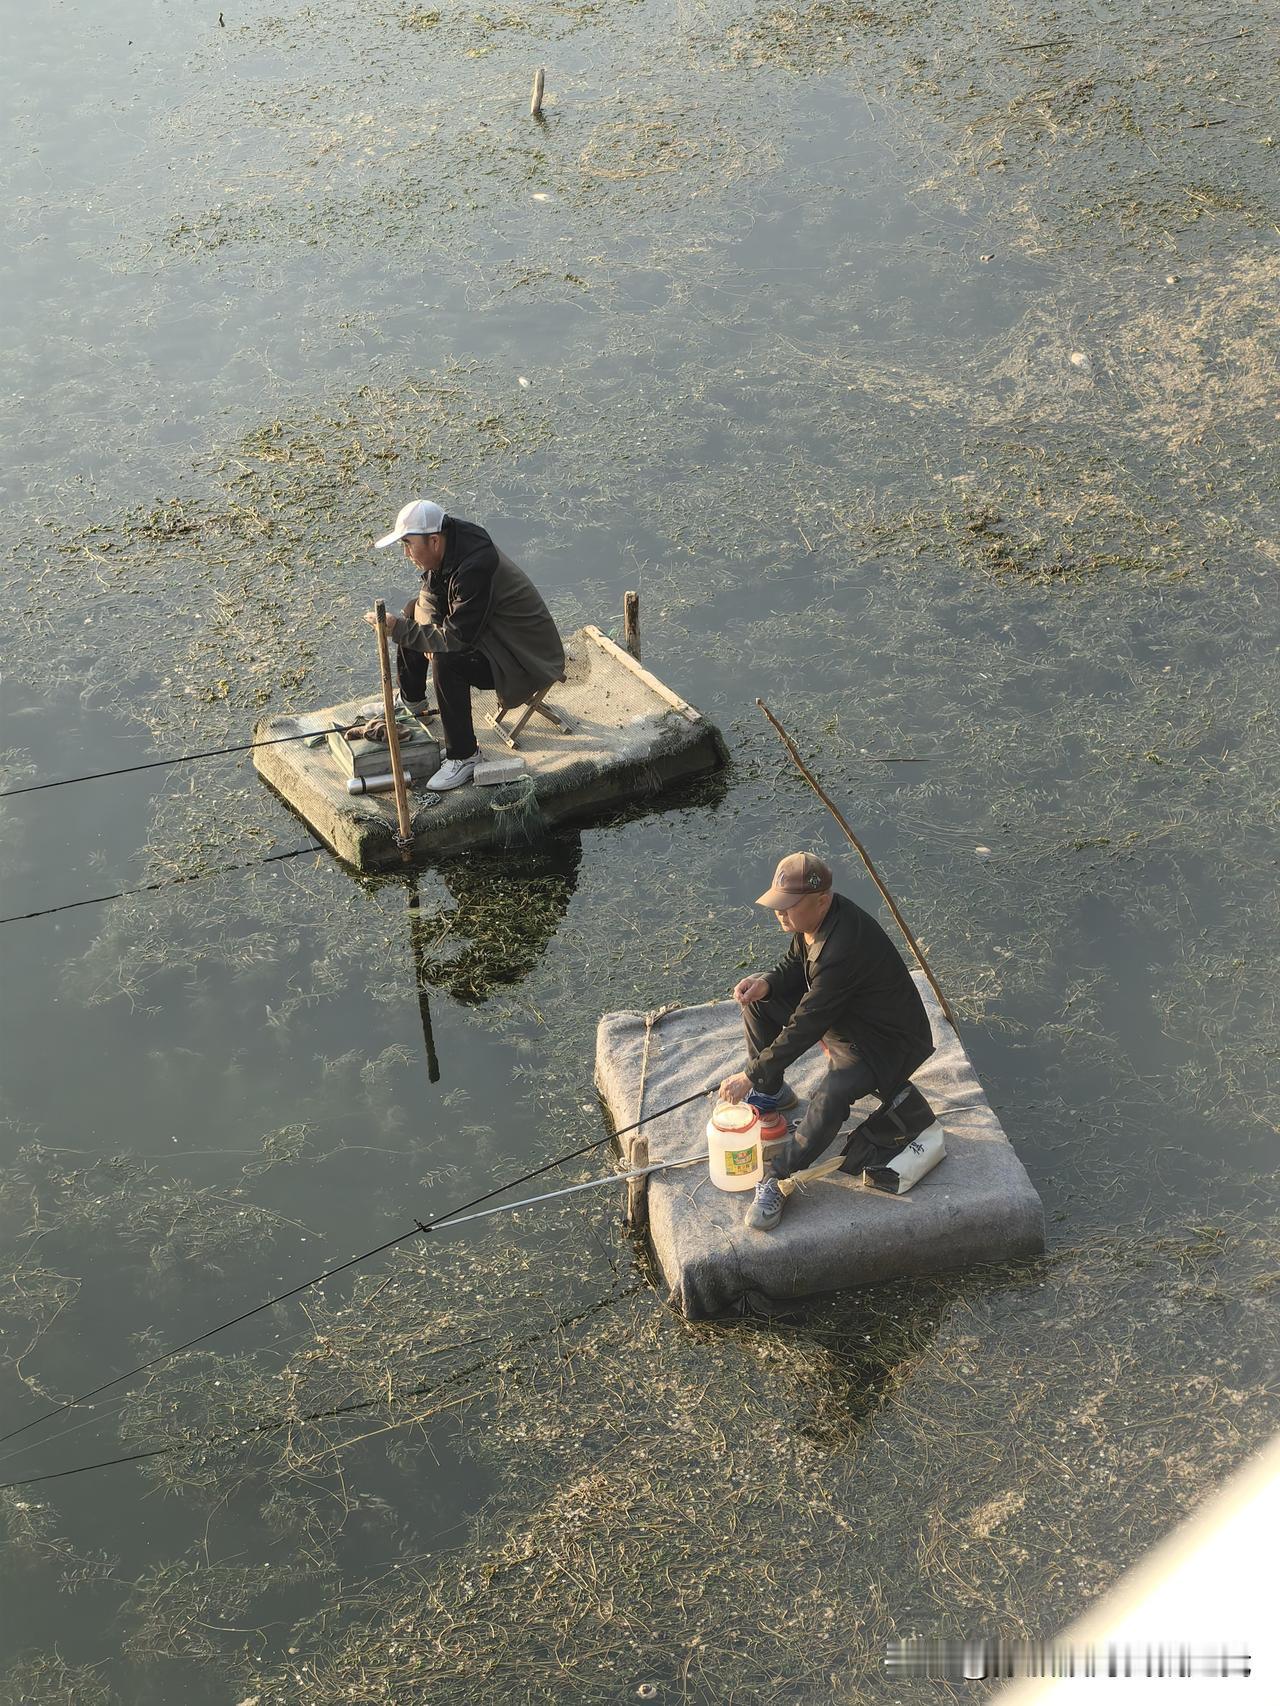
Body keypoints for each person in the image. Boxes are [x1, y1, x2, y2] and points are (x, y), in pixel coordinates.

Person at [719, 852, 936, 1231]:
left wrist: (749, 1074)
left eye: (788, 907)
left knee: (831, 1094)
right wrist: (767, 983)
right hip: (844, 1017)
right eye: (777, 905)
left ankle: (778, 1178)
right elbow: (794, 965)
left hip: (880, 1043)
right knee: (757, 1000)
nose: (780, 914)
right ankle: (772, 1092)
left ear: (822, 899)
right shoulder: (812, 923)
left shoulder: (842, 948)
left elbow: (806, 1023)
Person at [365, 499, 565, 792]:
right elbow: (428, 601)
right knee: (412, 612)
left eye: (408, 544)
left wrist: (401, 631)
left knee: (448, 659)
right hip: (489, 634)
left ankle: (465, 755)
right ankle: (413, 701)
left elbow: (456, 640)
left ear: (433, 541)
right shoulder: (450, 544)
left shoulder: (475, 565)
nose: (406, 554)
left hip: (524, 657)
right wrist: (415, 629)